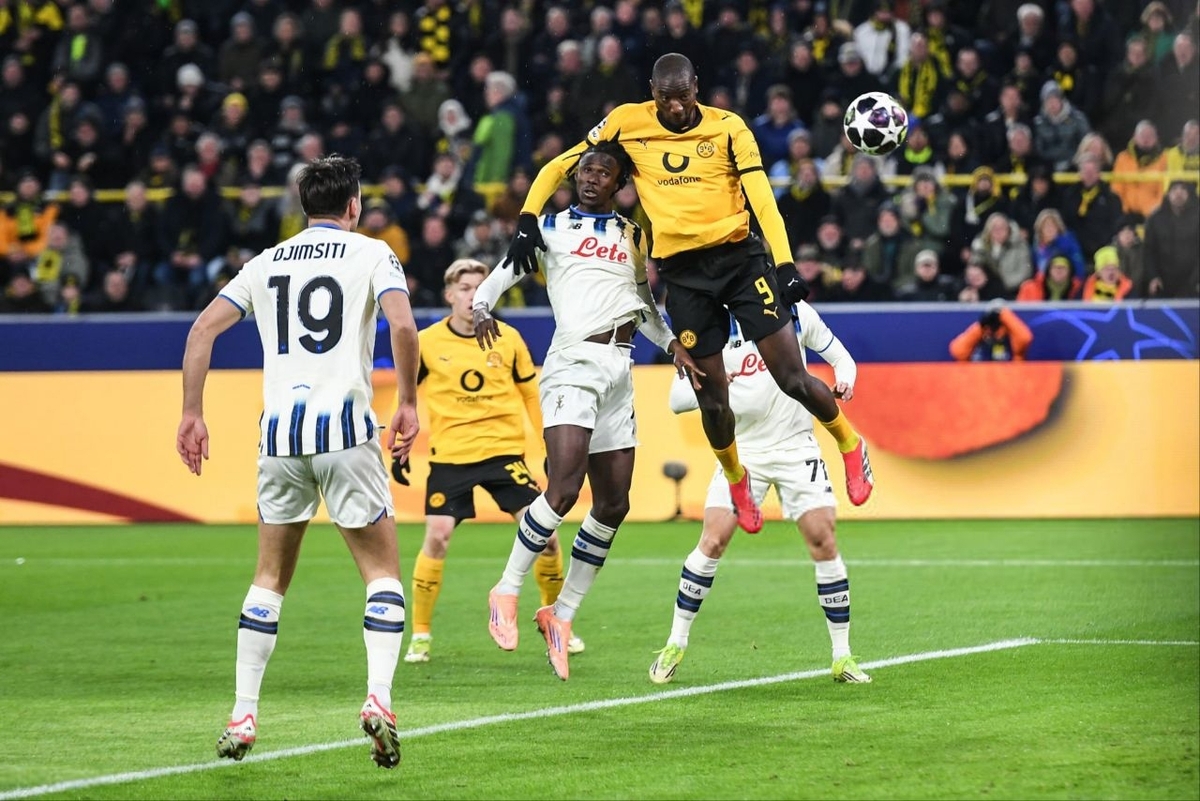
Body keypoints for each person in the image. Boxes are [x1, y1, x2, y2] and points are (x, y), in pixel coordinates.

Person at [498, 53, 873, 537]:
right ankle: (736, 479)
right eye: (664, 98)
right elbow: (561, 165)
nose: (675, 107)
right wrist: (528, 217)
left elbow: (762, 199)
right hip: (684, 274)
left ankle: (849, 444)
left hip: (740, 260)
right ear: (652, 92)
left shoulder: (729, 128)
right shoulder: (627, 122)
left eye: (683, 96)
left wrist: (784, 264)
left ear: (696, 86)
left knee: (791, 377)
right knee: (712, 399)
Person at [175, 155, 419, 770]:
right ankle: (379, 700)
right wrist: (408, 402)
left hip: (280, 440)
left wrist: (192, 413)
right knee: (382, 575)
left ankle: (243, 713)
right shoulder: (373, 253)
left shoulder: (265, 262)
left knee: (268, 579)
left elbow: (201, 331)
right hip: (346, 433)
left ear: (303, 207)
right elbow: (402, 325)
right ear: (354, 205)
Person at [473, 141, 701, 681]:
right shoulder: (548, 229)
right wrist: (482, 305)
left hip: (620, 368)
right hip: (573, 363)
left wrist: (672, 344)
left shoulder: (633, 235)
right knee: (564, 488)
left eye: (603, 171)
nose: (591, 177)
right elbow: (504, 271)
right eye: (584, 170)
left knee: (615, 503)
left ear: (621, 183)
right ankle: (506, 588)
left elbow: (643, 307)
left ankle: (562, 613)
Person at [650, 301, 871, 686]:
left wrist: (846, 378)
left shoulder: (792, 310)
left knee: (823, 540)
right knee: (712, 541)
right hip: (743, 452)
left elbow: (841, 357)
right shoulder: (711, 323)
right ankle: (675, 643)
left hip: (796, 446)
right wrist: (721, 384)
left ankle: (843, 655)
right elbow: (677, 399)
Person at [398, 258, 583, 664]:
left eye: (479, 289)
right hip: (451, 456)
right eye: (465, 288)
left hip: (504, 454)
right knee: (437, 536)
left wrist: (551, 448)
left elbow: (531, 396)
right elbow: (406, 397)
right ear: (449, 294)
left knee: (547, 537)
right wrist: (400, 442)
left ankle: (557, 621)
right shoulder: (427, 342)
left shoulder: (508, 339)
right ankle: (421, 634)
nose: (472, 296)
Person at [949, 302, 1034, 361]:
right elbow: (957, 352)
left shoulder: (1013, 337)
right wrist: (982, 325)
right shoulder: (980, 332)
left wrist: (1003, 314)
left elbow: (1025, 338)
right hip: (981, 377)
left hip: (1010, 377)